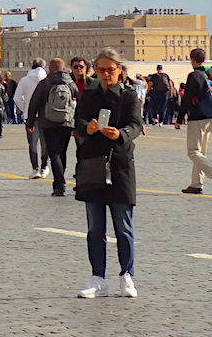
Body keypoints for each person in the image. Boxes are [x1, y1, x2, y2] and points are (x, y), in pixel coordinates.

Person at [74, 48, 142, 299]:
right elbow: (77, 122)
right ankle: (97, 278)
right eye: (100, 69)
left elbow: (136, 125)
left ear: (119, 70)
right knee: (95, 228)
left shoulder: (129, 97)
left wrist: (121, 134)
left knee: (123, 225)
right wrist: (88, 128)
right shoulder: (88, 97)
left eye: (110, 69)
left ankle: (127, 275)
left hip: (120, 165)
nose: (105, 74)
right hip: (92, 165)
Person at [176, 48, 212, 195]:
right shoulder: (211, 75)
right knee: (200, 153)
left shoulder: (194, 76)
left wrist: (179, 118)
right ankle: (196, 184)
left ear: (192, 59)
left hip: (197, 118)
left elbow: (187, 98)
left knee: (193, 151)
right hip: (211, 117)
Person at [28, 58, 77, 197]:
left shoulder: (45, 83)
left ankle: (59, 185)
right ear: (64, 68)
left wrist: (30, 123)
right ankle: (60, 182)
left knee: (53, 153)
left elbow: (34, 103)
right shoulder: (71, 84)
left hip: (48, 123)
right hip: (67, 123)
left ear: (49, 69)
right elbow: (79, 103)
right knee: (62, 152)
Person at [15, 58, 49, 178]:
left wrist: (26, 109)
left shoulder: (24, 80)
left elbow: (17, 98)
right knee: (45, 144)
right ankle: (44, 167)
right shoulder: (47, 80)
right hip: (46, 116)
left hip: (31, 117)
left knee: (33, 144)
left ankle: (35, 169)